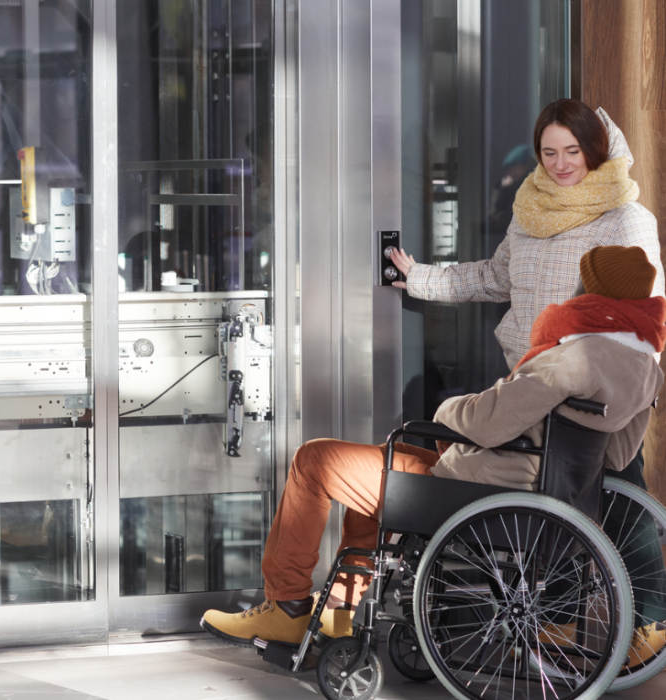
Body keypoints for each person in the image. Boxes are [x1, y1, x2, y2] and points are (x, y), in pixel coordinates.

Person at [201, 245, 666, 672]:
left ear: (591, 290)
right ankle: (339, 614)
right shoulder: (643, 365)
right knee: (379, 468)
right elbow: (620, 454)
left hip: (483, 490)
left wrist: (447, 407)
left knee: (314, 461)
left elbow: (487, 423)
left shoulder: (575, 354)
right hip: (531, 492)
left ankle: (285, 607)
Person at [390, 98, 666, 659]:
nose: (562, 164)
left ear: (597, 151)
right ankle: (560, 617)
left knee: (620, 497)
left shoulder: (626, 217)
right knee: (552, 504)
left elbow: (641, 305)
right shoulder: (530, 211)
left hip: (589, 384)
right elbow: (496, 278)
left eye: (573, 151)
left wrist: (626, 384)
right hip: (531, 378)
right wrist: (420, 278)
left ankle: (652, 622)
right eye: (550, 152)